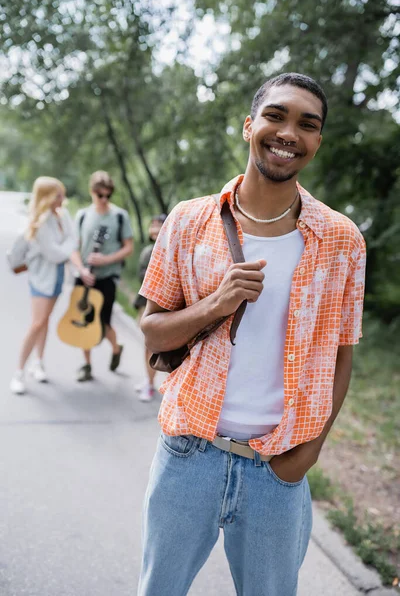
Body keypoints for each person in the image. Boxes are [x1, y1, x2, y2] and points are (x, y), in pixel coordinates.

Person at [138, 73, 366, 595]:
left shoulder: (342, 240)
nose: (289, 132)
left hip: (278, 470)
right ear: (249, 126)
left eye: (307, 125)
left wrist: (309, 452)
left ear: (317, 143)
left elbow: (341, 357)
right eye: (276, 116)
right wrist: (217, 303)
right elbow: (152, 332)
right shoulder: (189, 221)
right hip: (187, 456)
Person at [10, 177, 76, 395]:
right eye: (58, 195)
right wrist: (66, 246)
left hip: (57, 276)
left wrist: (66, 245)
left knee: (45, 320)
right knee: (37, 323)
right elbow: (55, 253)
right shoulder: (39, 222)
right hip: (41, 278)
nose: (62, 198)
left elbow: (74, 240)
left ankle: (38, 362)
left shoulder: (62, 215)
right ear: (46, 197)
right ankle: (19, 373)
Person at [70, 171, 134, 382]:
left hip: (107, 277)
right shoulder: (82, 216)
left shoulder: (119, 216)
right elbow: (74, 248)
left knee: (104, 323)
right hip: (84, 276)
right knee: (83, 320)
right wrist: (82, 270)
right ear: (92, 192)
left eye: (108, 195)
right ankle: (86, 365)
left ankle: (116, 349)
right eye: (100, 195)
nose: (104, 199)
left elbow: (128, 247)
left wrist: (106, 260)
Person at [133, 214, 167, 402]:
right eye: (152, 225)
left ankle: (157, 383)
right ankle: (149, 380)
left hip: (165, 307)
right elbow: (142, 277)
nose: (155, 229)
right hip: (146, 304)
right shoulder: (147, 251)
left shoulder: (171, 249)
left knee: (158, 347)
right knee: (148, 345)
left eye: (159, 225)